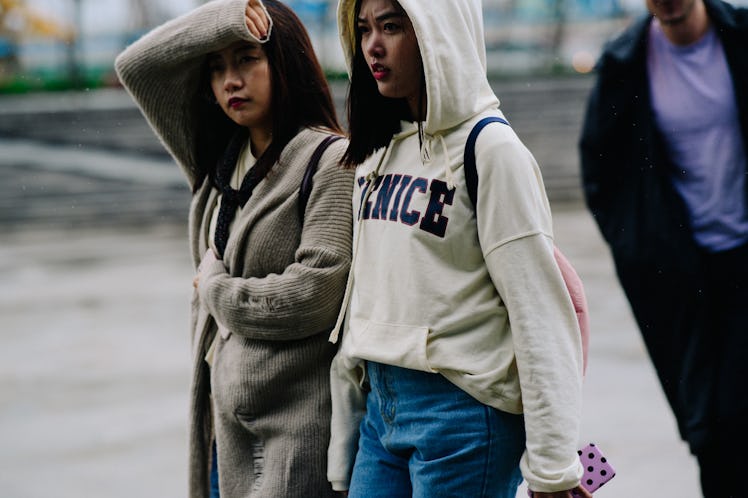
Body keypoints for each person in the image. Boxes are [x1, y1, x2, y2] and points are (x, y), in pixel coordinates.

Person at [326, 0, 589, 497]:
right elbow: (362, 306)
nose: (372, 47)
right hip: (381, 415)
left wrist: (553, 466)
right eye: (363, 30)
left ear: (438, 31)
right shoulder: (375, 152)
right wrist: (344, 446)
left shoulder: (492, 151)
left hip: (463, 418)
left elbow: (540, 313)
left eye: (392, 26)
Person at [115, 1, 354, 496]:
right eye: (217, 67)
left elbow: (314, 294)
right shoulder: (216, 162)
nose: (231, 81)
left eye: (248, 58)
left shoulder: (329, 160)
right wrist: (227, 17)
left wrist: (216, 289)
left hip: (296, 437)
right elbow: (137, 67)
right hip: (223, 434)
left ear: (285, 62)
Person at [579, 0, 748, 496]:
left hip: (744, 256)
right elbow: (599, 168)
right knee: (704, 421)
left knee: (734, 410)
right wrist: (639, 249)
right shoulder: (624, 61)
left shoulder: (738, 36)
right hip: (681, 270)